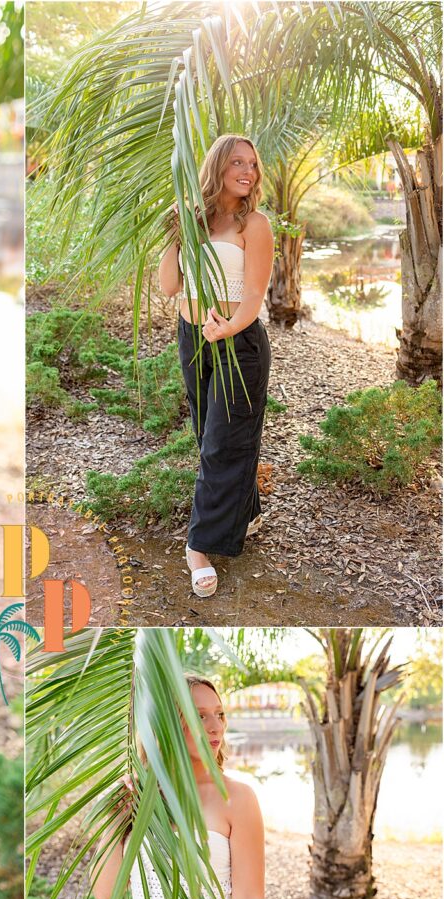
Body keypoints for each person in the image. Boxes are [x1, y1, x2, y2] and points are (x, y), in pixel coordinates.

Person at [157, 135, 275, 598]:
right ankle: (246, 511)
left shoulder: (256, 224)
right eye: (238, 162)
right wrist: (176, 232)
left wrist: (226, 330)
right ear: (217, 167)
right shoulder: (193, 220)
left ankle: (198, 547)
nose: (248, 171)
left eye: (253, 163)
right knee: (210, 435)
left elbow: (253, 297)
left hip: (237, 341)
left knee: (222, 444)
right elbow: (170, 287)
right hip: (193, 338)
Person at [91, 675, 266, 899]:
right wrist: (118, 816)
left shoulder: (238, 798)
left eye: (219, 714)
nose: (216, 727)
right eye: (200, 716)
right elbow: (106, 895)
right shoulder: (140, 794)